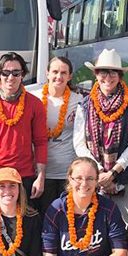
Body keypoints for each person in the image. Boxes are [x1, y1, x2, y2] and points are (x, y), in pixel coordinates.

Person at [73, 48, 128, 224]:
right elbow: (79, 144)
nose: (108, 77)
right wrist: (100, 173)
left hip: (126, 177)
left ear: (120, 76)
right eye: (103, 72)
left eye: (113, 72)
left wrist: (112, 172)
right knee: (95, 225)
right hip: (93, 178)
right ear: (96, 74)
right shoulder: (84, 105)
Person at [0, 52, 47, 209]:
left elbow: (40, 142)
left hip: (24, 176)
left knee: (24, 225)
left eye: (16, 73)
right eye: (5, 72)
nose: (10, 77)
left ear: (23, 75)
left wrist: (40, 176)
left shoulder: (35, 104)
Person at [41, 56, 83, 209]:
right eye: (55, 71)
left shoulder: (79, 101)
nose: (59, 77)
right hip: (41, 172)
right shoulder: (36, 98)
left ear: (70, 76)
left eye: (64, 73)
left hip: (67, 172)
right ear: (47, 73)